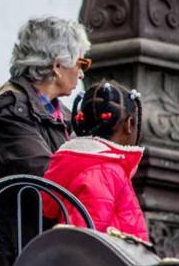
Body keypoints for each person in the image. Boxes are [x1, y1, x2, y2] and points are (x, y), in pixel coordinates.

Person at [0, 16, 91, 266]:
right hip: (17, 261)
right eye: (81, 63)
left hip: (45, 254)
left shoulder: (61, 115)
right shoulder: (11, 112)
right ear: (57, 65)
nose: (83, 72)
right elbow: (49, 179)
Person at [42, 81, 148, 241]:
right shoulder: (105, 171)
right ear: (129, 124)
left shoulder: (72, 162)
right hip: (110, 264)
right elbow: (88, 243)